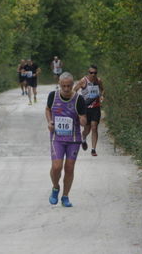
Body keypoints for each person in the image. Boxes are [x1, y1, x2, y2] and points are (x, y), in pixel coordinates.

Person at [45, 72, 86, 207]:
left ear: (73, 85)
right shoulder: (53, 95)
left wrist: (83, 120)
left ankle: (65, 196)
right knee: (56, 167)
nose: (67, 89)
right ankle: (55, 187)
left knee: (69, 168)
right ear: (59, 85)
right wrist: (50, 121)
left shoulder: (79, 100)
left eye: (69, 86)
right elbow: (48, 109)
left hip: (73, 139)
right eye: (64, 86)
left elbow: (83, 120)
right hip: (57, 138)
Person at [73, 65, 104, 156]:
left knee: (94, 127)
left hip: (96, 108)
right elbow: (74, 91)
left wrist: (102, 96)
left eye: (95, 73)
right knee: (87, 129)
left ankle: (93, 149)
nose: (93, 75)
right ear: (88, 73)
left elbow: (102, 90)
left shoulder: (98, 81)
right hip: (86, 109)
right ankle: (83, 137)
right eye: (91, 73)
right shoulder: (83, 81)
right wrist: (78, 102)